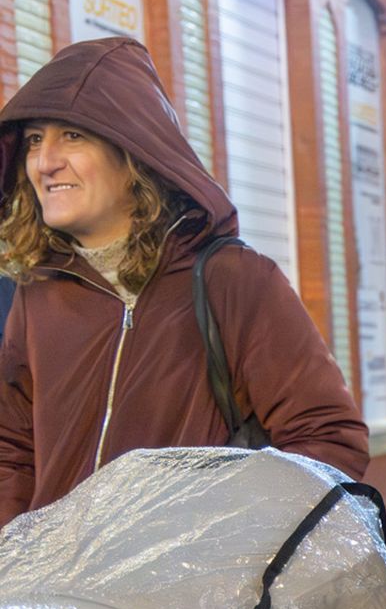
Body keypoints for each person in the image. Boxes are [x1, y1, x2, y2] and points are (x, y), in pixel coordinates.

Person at [0, 37, 367, 528]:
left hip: (193, 578)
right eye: (33, 140)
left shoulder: (232, 279)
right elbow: (11, 450)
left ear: (133, 150)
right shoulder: (38, 296)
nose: (45, 162)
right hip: (60, 578)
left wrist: (219, 545)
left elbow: (328, 439)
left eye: (72, 136)